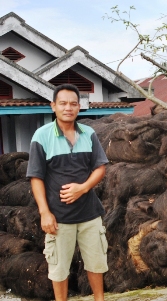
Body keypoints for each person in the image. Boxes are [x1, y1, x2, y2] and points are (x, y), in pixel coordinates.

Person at [26, 84, 109, 301]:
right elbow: (36, 177)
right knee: (59, 268)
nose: (68, 108)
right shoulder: (41, 136)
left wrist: (83, 188)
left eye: (73, 103)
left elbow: (100, 167)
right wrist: (45, 212)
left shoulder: (89, 134)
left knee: (96, 263)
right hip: (58, 217)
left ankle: (99, 299)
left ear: (79, 107)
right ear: (53, 106)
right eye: (62, 103)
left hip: (90, 214)